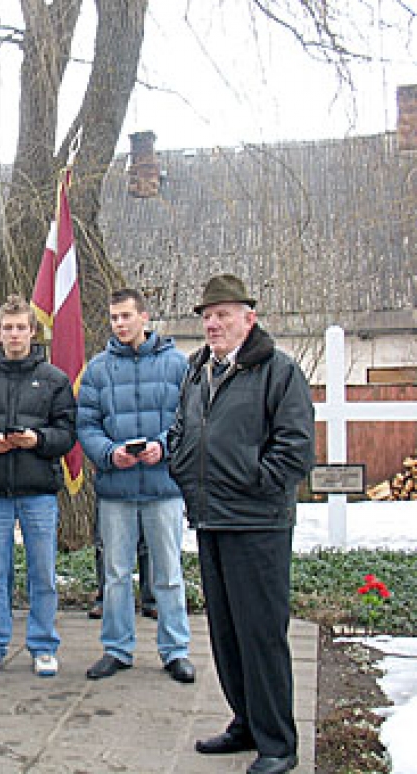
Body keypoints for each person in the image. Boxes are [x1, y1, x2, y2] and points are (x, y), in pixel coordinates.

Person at [168, 274, 314, 774]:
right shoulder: (196, 371)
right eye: (207, 316)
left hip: (258, 526)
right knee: (226, 633)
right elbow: (182, 431)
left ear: (248, 319)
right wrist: (182, 471)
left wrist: (253, 482)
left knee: (262, 634)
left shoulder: (279, 373)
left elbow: (295, 451)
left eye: (223, 314)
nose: (213, 323)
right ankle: (245, 723)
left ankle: (278, 742)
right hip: (211, 521)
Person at [77, 288, 194, 684]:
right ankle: (117, 648)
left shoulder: (178, 365)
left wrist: (163, 447)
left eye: (127, 316)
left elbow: (189, 421)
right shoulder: (97, 370)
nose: (121, 324)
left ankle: (175, 650)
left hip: (163, 488)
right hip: (117, 489)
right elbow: (87, 425)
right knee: (115, 574)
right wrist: (110, 454)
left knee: (168, 573)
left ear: (145, 317)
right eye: (114, 318)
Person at [0, 295, 77, 678]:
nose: (14, 334)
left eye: (21, 327)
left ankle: (43, 645)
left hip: (38, 490)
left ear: (32, 331)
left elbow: (67, 433)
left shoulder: (56, 379)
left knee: (42, 572)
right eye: (8, 328)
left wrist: (38, 440)